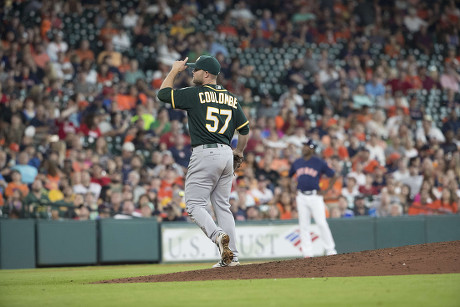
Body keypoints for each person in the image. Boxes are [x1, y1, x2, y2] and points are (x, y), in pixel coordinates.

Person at [157, 55, 250, 268]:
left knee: (193, 204)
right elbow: (244, 129)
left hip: (205, 152)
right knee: (222, 206)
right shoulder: (231, 98)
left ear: (206, 74)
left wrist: (174, 71)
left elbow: (163, 94)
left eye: (196, 70)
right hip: (227, 153)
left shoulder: (196, 94)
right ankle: (232, 257)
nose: (192, 72)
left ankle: (218, 236)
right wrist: (239, 152)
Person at [289, 139, 338, 258]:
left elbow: (333, 175)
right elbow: (289, 176)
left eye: (306, 146)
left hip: (315, 196)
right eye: (303, 146)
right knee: (303, 225)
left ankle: (330, 249)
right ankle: (307, 253)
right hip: (301, 196)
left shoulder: (318, 162)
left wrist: (326, 190)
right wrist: (291, 188)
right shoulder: (297, 162)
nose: (303, 148)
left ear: (311, 149)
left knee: (321, 223)